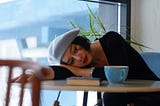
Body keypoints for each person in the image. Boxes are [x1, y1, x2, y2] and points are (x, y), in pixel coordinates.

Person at [13, 28, 160, 106]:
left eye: (75, 49)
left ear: (80, 41)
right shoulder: (84, 65)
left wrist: (80, 71)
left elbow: (117, 76)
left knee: (110, 97)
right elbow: (59, 71)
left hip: (153, 94)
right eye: (71, 61)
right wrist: (38, 73)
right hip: (126, 98)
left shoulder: (111, 40)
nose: (79, 57)